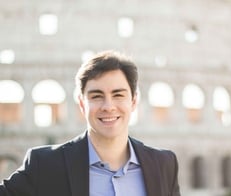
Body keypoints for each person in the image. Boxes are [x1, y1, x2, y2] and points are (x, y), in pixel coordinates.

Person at [0, 50, 181, 196]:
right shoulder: (45, 165)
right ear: (81, 103)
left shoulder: (164, 164)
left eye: (118, 95)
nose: (108, 106)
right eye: (96, 96)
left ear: (133, 101)